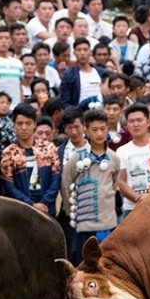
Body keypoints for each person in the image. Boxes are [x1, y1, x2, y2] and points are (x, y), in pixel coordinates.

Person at [60, 108, 122, 262]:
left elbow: (114, 186)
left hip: (108, 222)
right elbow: (66, 184)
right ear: (86, 130)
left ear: (108, 129)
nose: (99, 134)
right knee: (84, 263)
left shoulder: (113, 158)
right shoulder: (77, 158)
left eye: (102, 129)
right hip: (85, 223)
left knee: (107, 263)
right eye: (94, 130)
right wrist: (72, 213)